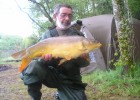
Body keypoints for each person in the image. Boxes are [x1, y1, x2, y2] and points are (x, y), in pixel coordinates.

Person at [21, 4, 90, 100]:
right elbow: (41, 63)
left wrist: (81, 57)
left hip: (71, 79)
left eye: (70, 15)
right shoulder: (47, 35)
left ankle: (62, 94)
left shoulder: (78, 36)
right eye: (63, 14)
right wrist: (45, 59)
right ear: (55, 16)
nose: (67, 18)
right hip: (52, 75)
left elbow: (86, 63)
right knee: (33, 66)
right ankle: (35, 98)